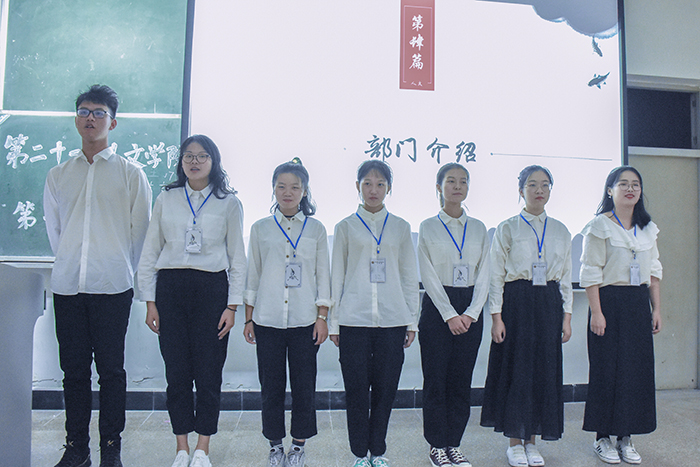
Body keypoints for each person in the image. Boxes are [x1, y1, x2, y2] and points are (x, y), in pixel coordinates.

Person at [43, 85, 151, 467]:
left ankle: (111, 449)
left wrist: (116, 265)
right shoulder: (58, 175)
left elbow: (140, 234)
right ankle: (77, 449)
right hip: (68, 286)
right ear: (76, 119)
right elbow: (56, 232)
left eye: (99, 112)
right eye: (84, 111)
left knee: (111, 372)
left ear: (113, 122)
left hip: (112, 287)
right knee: (73, 372)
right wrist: (73, 261)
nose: (90, 118)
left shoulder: (131, 174)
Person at [139, 135, 246, 467]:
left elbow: (237, 258)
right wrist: (150, 301)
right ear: (181, 161)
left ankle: (203, 448)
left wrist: (232, 306)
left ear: (214, 161)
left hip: (212, 291)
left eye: (202, 156)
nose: (195, 162)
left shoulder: (228, 202)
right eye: (188, 156)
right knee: (177, 373)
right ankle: (181, 447)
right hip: (170, 290)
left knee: (209, 372)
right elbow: (150, 250)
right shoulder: (167, 198)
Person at [480, 165, 572, 467]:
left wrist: (567, 316)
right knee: (516, 371)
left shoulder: (560, 230)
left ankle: (532, 441)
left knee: (543, 372)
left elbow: (566, 276)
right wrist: (496, 316)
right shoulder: (507, 228)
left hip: (548, 303)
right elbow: (496, 275)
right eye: (532, 184)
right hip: (516, 302)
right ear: (521, 190)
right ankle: (514, 443)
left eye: (545, 185)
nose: (539, 190)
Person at [329, 160, 419, 467]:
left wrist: (411, 321)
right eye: (367, 183)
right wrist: (334, 323)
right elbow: (337, 277)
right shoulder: (345, 227)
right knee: (356, 390)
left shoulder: (401, 227)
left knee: (385, 390)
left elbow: (408, 277)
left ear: (388, 188)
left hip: (393, 320)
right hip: (353, 320)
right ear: (358, 186)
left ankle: (377, 451)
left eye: (380, 184)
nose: (373, 190)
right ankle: (359, 454)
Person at [243, 159, 331, 467]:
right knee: (271, 387)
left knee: (304, 387)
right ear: (274, 189)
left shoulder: (316, 229)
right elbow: (253, 275)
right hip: (267, 320)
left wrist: (322, 317)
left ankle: (298, 446)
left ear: (304, 191)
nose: (287, 192)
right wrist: (248, 317)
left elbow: (323, 276)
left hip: (305, 321)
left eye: (294, 187)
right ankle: (275, 446)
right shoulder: (260, 228)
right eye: (281, 186)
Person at [580, 166, 662, 465]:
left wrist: (656, 309)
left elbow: (653, 272)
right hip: (608, 303)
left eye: (635, 184)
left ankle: (626, 436)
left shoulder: (647, 228)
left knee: (635, 373)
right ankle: (602, 437)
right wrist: (596, 312)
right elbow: (590, 272)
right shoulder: (599, 226)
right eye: (623, 184)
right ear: (610, 190)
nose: (630, 189)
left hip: (638, 304)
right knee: (606, 371)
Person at [417, 163, 489, 467]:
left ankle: (454, 444)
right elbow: (427, 275)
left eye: (463, 181)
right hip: (437, 309)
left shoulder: (480, 228)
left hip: (470, 308)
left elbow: (485, 273)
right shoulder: (428, 226)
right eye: (450, 181)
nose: (457, 186)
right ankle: (437, 445)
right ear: (439, 187)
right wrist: (449, 314)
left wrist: (472, 313)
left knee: (461, 381)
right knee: (436, 380)